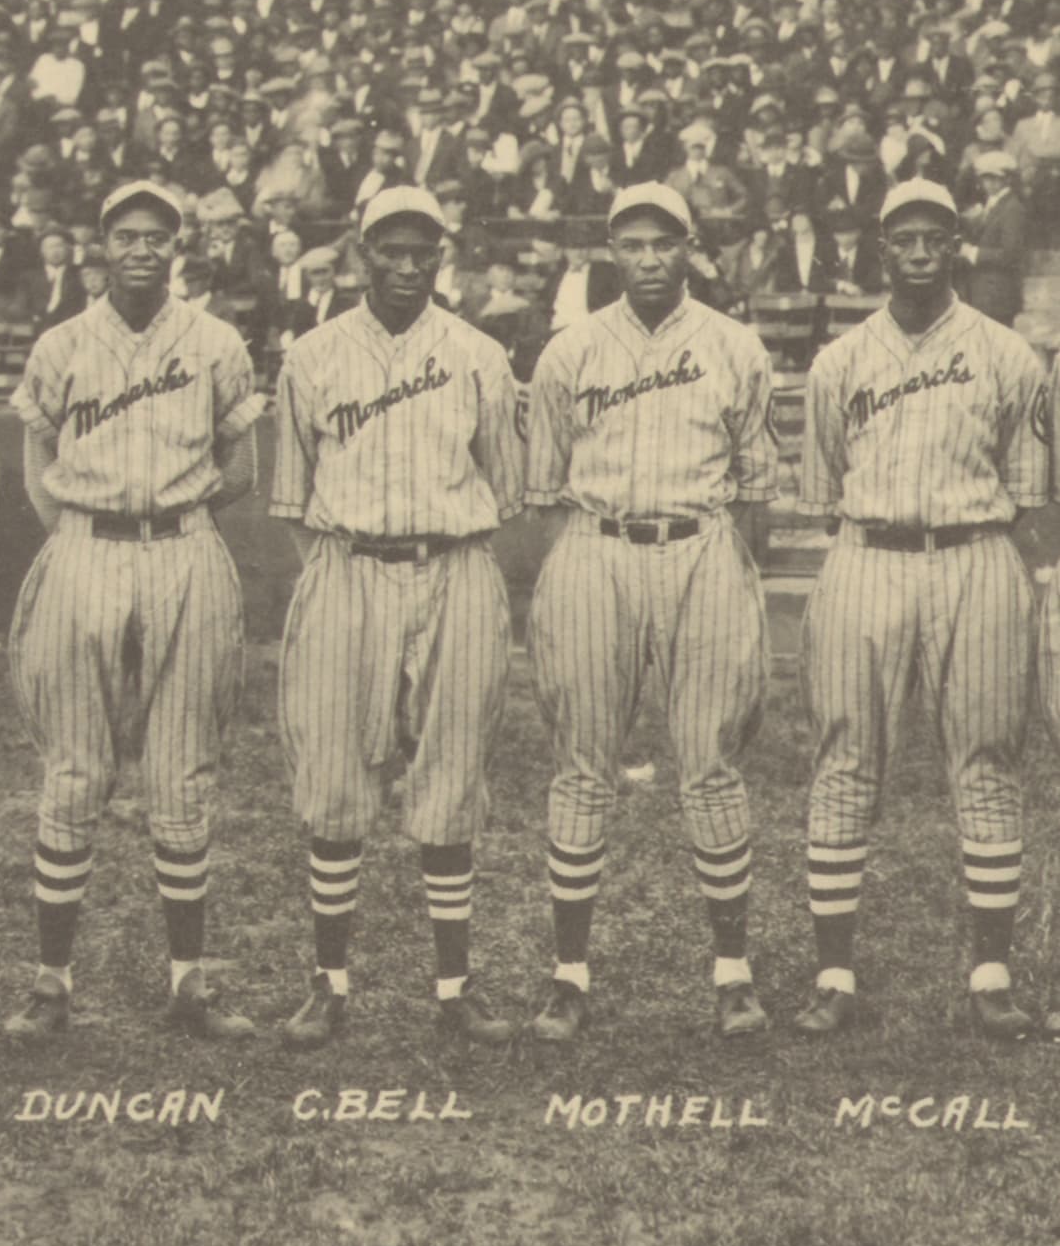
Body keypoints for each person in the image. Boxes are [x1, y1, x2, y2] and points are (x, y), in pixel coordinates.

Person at [1, 181, 263, 1040]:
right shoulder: (62, 343)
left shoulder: (215, 340)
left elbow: (242, 466)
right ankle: (51, 983)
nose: (142, 250)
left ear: (177, 247)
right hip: (85, 547)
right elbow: (37, 460)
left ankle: (190, 980)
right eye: (126, 235)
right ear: (102, 245)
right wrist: (84, 530)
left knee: (182, 772)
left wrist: (171, 511)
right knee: (74, 769)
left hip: (184, 548)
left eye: (157, 236)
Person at [520, 184, 781, 1043]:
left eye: (663, 242)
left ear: (688, 246)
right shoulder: (570, 350)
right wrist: (576, 569)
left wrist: (728, 567)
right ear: (611, 251)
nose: (648, 259)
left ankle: (733, 972)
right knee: (582, 761)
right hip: (596, 544)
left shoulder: (735, 345)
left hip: (700, 544)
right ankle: (568, 975)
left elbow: (755, 486)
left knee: (710, 760)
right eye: (631, 244)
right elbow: (545, 486)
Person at [267, 186, 524, 1049]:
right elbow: (293, 498)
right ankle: (328, 985)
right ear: (361, 252)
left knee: (451, 774)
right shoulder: (311, 355)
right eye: (391, 250)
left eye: (423, 252)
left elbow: (505, 486)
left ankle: (455, 988)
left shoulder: (480, 354)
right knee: (336, 778)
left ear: (441, 257)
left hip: (454, 564)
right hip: (347, 567)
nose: (408, 267)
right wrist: (345, 571)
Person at [796, 179, 1049, 1040]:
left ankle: (991, 975)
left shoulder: (1008, 355)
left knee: (987, 761)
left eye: (933, 237)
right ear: (880, 249)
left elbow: (1026, 489)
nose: (916, 252)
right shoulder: (838, 361)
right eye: (902, 238)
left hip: (976, 554)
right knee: (844, 760)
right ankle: (834, 975)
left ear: (955, 246)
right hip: (867, 555)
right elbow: (824, 490)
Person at [964, 151, 1026, 327]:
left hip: (999, 296)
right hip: (986, 294)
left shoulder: (1012, 208)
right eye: (985, 179)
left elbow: (1011, 254)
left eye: (995, 178)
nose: (989, 184)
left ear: (1007, 179)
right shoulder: (993, 204)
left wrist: (973, 253)